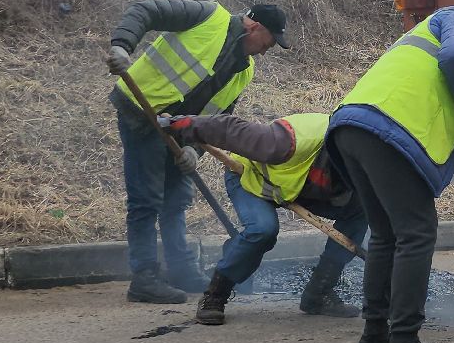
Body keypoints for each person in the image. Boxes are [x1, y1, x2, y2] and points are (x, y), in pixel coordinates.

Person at [327, 0, 454, 343]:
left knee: (387, 236)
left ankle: (374, 338)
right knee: (417, 233)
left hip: (354, 127)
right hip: (390, 131)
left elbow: (452, 136)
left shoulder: (429, 36)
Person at [105, 0, 290, 305]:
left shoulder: (245, 70)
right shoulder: (208, 16)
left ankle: (181, 270)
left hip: (179, 130)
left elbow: (217, 118)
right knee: (147, 199)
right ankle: (144, 279)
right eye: (268, 43)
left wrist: (193, 150)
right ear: (254, 26)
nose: (265, 52)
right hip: (144, 111)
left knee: (176, 199)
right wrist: (122, 46)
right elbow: (145, 10)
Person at [157, 111, 368, 325]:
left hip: (297, 188)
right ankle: (215, 294)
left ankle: (318, 293)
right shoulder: (288, 141)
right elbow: (230, 129)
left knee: (359, 212)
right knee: (263, 229)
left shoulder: (364, 157)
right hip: (250, 178)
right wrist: (183, 124)